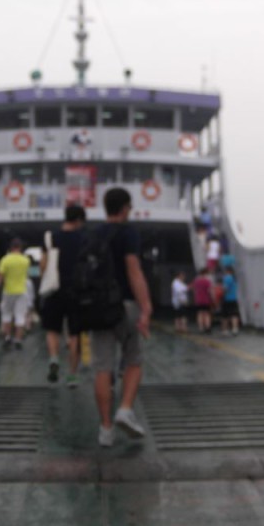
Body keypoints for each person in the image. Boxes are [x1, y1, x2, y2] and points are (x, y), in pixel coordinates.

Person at [92, 187, 153, 448]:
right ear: (125, 207)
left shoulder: (93, 234)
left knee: (102, 367)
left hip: (99, 307)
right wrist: (146, 307)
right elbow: (133, 271)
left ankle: (105, 429)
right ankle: (125, 409)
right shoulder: (128, 233)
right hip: (125, 304)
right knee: (134, 360)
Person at [40, 204, 87, 386]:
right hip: (76, 290)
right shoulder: (83, 239)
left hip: (54, 289)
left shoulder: (50, 237)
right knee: (74, 334)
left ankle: (53, 359)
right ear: (78, 220)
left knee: (52, 329)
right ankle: (72, 376)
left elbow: (43, 265)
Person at [0, 237, 31, 349]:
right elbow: (26, 275)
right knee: (20, 316)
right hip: (22, 291)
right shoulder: (26, 260)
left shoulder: (5, 260)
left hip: (8, 291)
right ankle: (18, 339)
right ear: (20, 247)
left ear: (11, 247)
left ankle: (7, 337)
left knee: (6, 314)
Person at [191, 267, 214, 333]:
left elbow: (193, 289)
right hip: (206, 300)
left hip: (198, 300)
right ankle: (207, 327)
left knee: (200, 314)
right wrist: (213, 299)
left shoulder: (196, 281)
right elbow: (210, 291)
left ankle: (201, 328)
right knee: (207, 314)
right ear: (205, 273)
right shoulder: (207, 281)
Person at [221, 266, 241, 336]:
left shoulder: (227, 278)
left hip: (226, 299)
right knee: (234, 314)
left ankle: (225, 330)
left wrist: (220, 293)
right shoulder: (234, 278)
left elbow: (225, 289)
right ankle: (235, 329)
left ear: (227, 271)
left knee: (225, 316)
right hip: (234, 298)